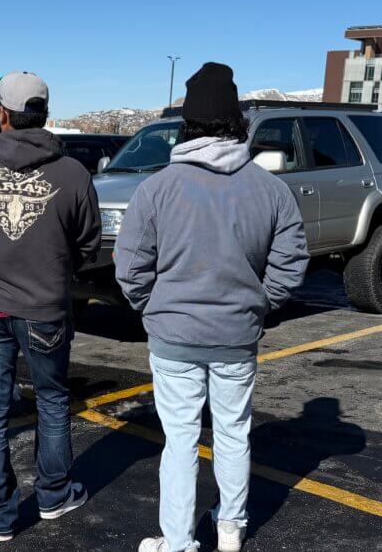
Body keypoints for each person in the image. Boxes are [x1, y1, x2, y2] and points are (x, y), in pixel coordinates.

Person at [114, 62, 309, 552]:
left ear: (188, 124)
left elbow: (130, 267)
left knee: (179, 441)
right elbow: (290, 263)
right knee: (233, 432)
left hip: (173, 337)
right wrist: (260, 305)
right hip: (236, 335)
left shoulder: (157, 187)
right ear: (238, 122)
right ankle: (230, 530)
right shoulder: (270, 189)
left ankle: (176, 541)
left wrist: (152, 309)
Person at [0, 71, 101, 542]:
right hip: (45, 309)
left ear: (3, 114)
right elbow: (88, 244)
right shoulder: (73, 173)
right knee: (53, 402)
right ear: (44, 114)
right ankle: (54, 493)